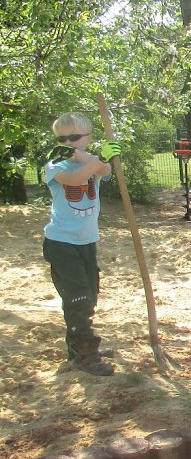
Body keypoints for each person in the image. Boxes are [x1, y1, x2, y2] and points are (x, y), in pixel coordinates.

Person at [43, 112, 121, 376]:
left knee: (89, 296)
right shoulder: (55, 164)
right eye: (61, 138)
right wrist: (93, 157)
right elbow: (77, 180)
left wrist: (91, 157)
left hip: (87, 242)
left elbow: (106, 170)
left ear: (88, 138)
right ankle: (85, 355)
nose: (66, 142)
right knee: (79, 299)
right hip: (61, 244)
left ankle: (77, 347)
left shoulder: (88, 162)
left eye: (73, 138)